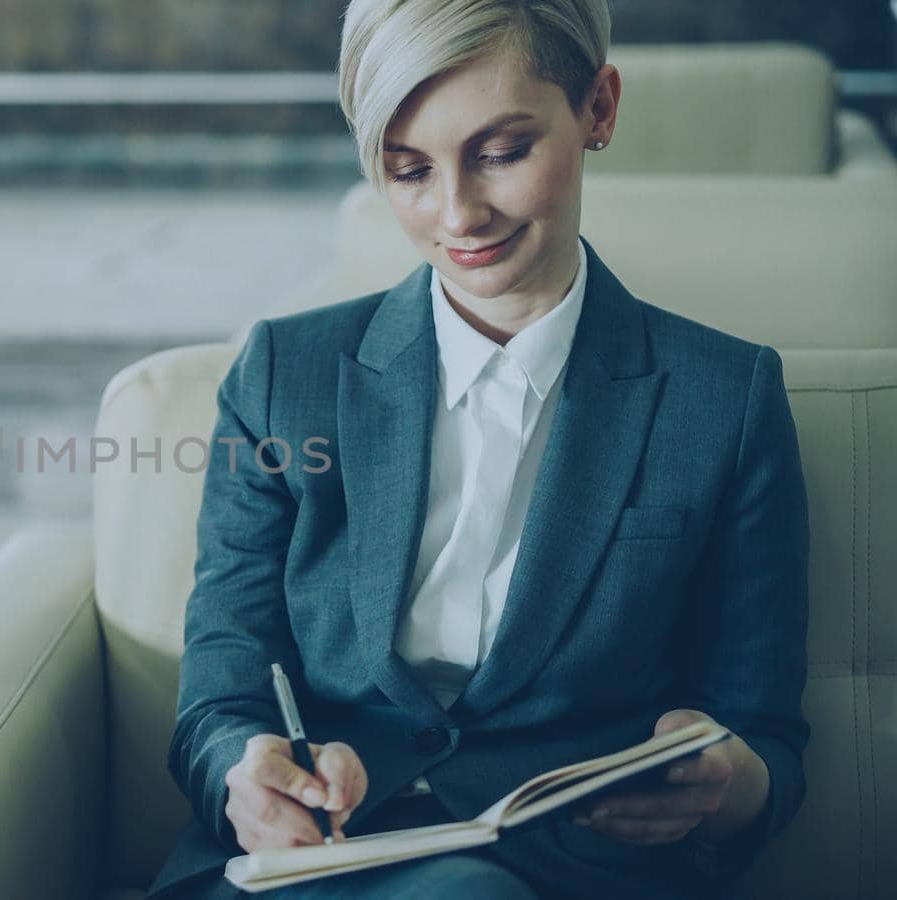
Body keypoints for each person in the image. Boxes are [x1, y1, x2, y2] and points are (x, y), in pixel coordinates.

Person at [145, 1, 810, 897]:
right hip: (317, 864)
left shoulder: (724, 399)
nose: (458, 213)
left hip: (566, 868)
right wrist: (245, 770)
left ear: (599, 110)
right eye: (409, 170)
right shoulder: (280, 376)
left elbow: (762, 731)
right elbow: (221, 690)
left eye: (501, 153)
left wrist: (728, 784)